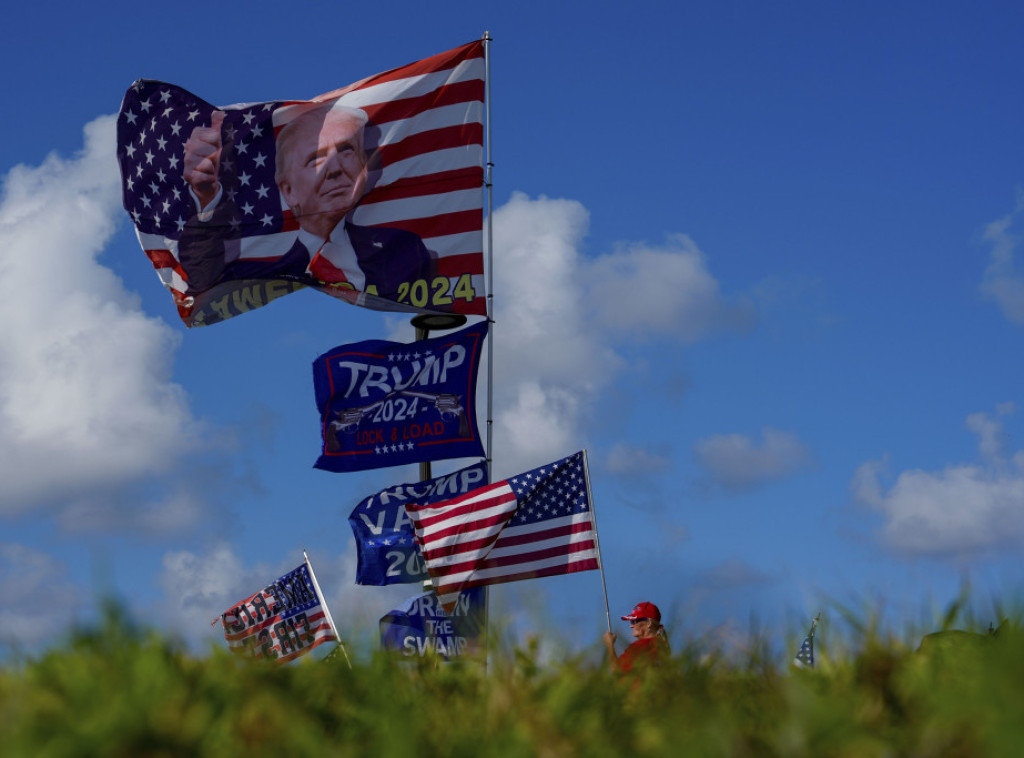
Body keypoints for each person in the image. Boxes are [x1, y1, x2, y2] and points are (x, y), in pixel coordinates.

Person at [178, 102, 435, 296]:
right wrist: (205, 199)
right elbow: (201, 276)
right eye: (316, 159)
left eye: (346, 150)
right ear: (288, 191)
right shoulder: (264, 264)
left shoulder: (407, 250)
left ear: (363, 166)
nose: (334, 169)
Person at [603, 601, 670, 675]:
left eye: (634, 621)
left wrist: (610, 645)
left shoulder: (642, 645)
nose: (631, 626)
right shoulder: (662, 644)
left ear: (649, 623)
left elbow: (616, 670)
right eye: (631, 621)